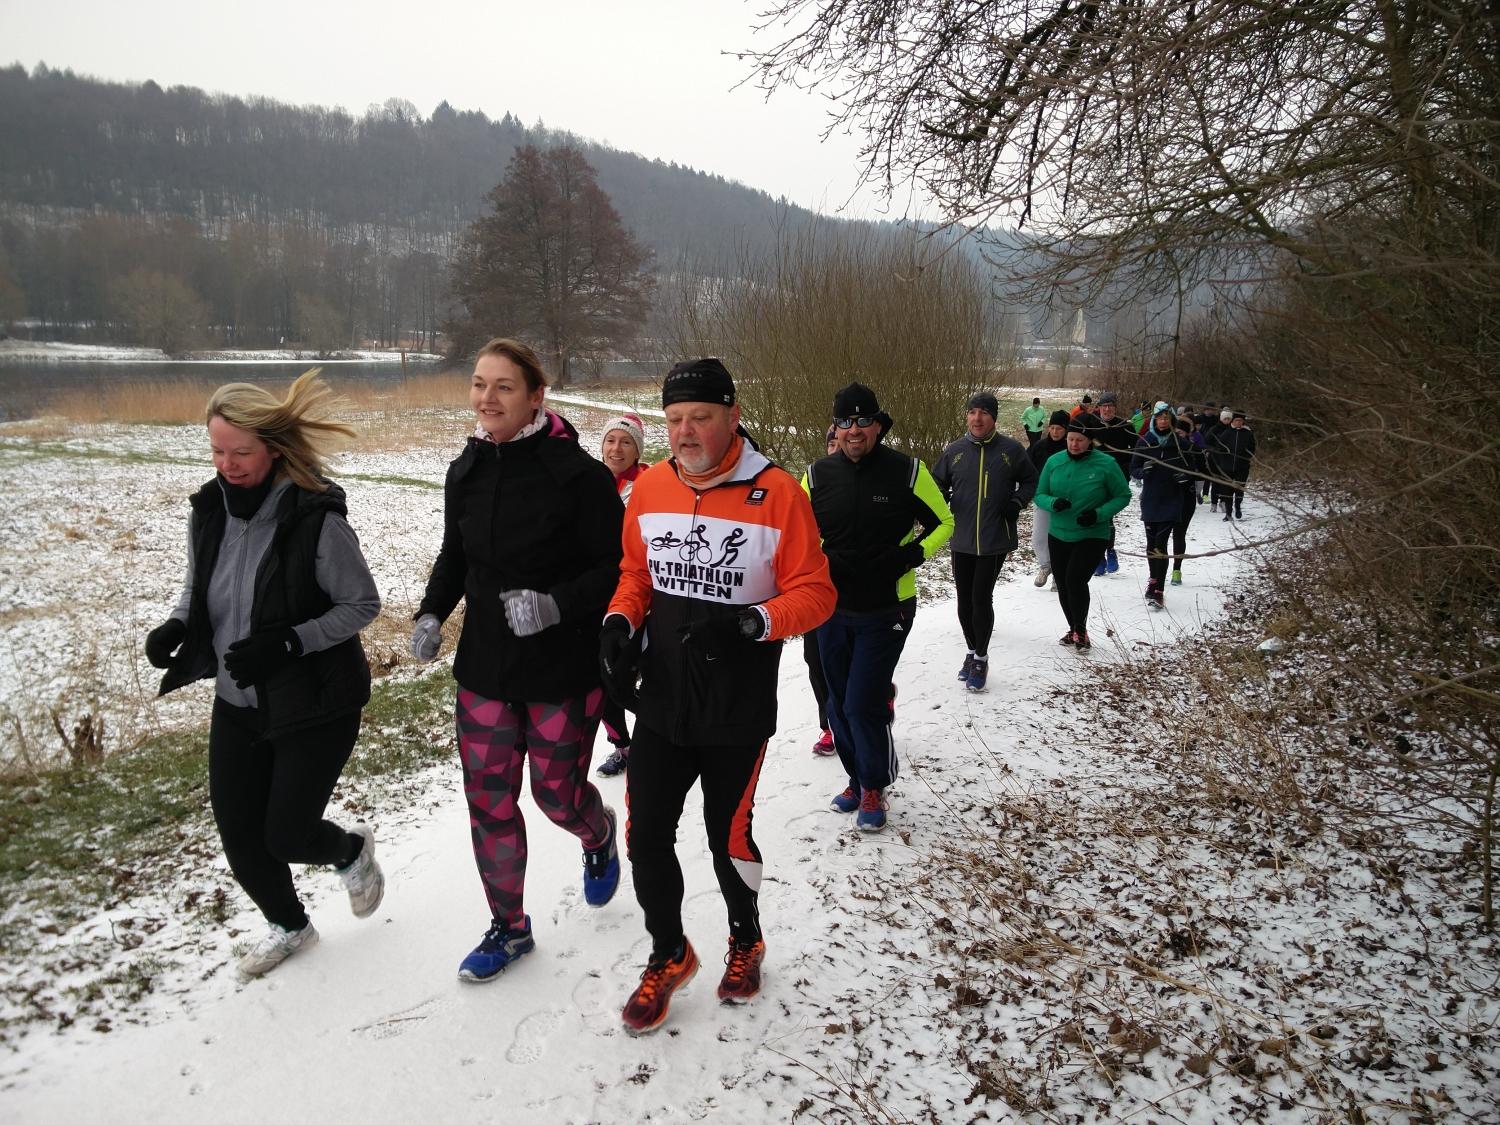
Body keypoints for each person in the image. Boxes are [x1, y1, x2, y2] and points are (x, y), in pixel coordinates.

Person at [599, 357, 836, 1035]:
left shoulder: (777, 492)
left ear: (732, 416)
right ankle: (669, 952)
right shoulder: (651, 487)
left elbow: (817, 593)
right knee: (645, 834)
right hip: (663, 698)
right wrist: (619, 620)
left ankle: (745, 937)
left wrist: (751, 622)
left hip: (737, 702)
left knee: (725, 833)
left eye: (700, 417)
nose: (685, 431)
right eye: (674, 419)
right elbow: (636, 572)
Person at [144, 369, 384, 978]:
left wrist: (288, 643)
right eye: (217, 451)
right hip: (238, 701)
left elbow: (361, 604)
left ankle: (350, 850)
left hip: (314, 703)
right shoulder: (210, 509)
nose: (227, 465)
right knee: (240, 835)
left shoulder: (314, 519)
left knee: (286, 835)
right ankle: (290, 926)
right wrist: (177, 624)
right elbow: (199, 585)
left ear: (273, 448)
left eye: (241, 453)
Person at [411, 337, 624, 984]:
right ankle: (510, 927)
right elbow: (455, 556)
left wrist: (556, 605)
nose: (487, 398)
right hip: (485, 666)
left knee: (557, 795)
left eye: (503, 386)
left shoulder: (579, 476)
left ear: (536, 396)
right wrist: (431, 612)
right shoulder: (466, 469)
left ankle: (598, 832)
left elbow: (616, 570)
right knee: (489, 801)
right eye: (479, 384)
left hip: (562, 668)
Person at [805, 382, 954, 831]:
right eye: (845, 422)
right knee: (836, 703)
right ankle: (856, 778)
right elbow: (795, 532)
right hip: (832, 608)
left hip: (888, 608)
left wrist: (909, 556)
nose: (854, 430)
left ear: (878, 425)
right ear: (835, 427)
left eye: (863, 421)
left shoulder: (907, 471)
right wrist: (821, 560)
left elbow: (944, 522)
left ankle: (874, 785)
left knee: (861, 702)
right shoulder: (816, 475)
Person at [932, 391, 1038, 692]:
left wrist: (1017, 502)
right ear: (967, 416)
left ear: (994, 418)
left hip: (994, 537)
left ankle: (981, 657)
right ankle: (970, 651)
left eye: (984, 413)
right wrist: (942, 497)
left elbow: (1031, 480)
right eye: (972, 412)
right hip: (962, 536)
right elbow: (937, 481)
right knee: (964, 601)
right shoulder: (955, 450)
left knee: (980, 598)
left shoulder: (1011, 450)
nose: (977, 418)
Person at [1033, 419, 1131, 649]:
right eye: (1071, 439)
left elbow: (1123, 496)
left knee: (1075, 579)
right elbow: (1039, 494)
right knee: (1063, 584)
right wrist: (1052, 502)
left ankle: (1080, 630)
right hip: (1058, 533)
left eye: (1080, 440)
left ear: (1090, 441)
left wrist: (1098, 514)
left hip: (1092, 533)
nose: (1074, 444)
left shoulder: (1106, 464)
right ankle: (1074, 628)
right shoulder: (1054, 462)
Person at [596, 412, 650, 778]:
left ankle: (657, 738)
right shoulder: (590, 482)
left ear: (637, 450)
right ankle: (623, 746)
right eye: (610, 441)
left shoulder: (648, 486)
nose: (616, 449)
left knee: (632, 677)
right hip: (600, 597)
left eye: (626, 442)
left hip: (640, 597)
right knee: (602, 677)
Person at [1131, 405, 1199, 608]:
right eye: (1159, 417)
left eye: (1167, 418)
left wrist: (1184, 477)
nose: (1163, 421)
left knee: (1161, 544)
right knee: (1151, 545)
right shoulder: (1145, 441)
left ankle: (1159, 590)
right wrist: (1143, 471)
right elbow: (1133, 468)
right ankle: (1153, 579)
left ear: (1172, 421)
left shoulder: (1180, 443)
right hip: (1151, 500)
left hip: (1172, 500)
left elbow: (1194, 468)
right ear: (1154, 420)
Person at [1081, 392, 1136, 575]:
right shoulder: (1092, 425)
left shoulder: (1125, 425)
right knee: (1100, 516)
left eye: (1110, 406)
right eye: (1104, 406)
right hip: (1095, 478)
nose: (1107, 409)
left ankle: (1109, 551)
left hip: (1117, 477)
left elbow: (1137, 449)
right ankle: (1100, 557)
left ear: (1115, 408)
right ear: (1099, 408)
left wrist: (1127, 468)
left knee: (1107, 516)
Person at [1026, 409, 1071, 588]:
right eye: (1052, 428)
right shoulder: (1039, 446)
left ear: (1066, 429)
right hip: (1043, 498)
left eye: (1059, 428)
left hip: (1065, 500)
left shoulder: (1071, 448)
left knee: (1060, 538)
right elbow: (1027, 467)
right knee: (1038, 537)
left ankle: (1059, 574)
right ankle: (1046, 565)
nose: (1055, 432)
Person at [1169, 414, 1208, 584]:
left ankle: (1177, 570)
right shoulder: (1167, 448)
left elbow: (1204, 472)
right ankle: (1157, 572)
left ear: (1187, 434)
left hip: (1186, 497)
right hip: (1166, 496)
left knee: (1179, 534)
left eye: (1180, 433)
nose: (1178, 436)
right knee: (1161, 535)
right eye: (1175, 432)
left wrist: (1191, 477)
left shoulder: (1194, 449)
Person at [1211, 410, 1257, 520]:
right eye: (1236, 420)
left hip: (1242, 467)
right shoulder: (1226, 433)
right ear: (1233, 421)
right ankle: (1228, 513)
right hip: (1227, 467)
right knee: (1227, 490)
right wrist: (1223, 457)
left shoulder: (1248, 434)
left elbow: (1252, 449)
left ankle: (1238, 506)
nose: (1238, 422)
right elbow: (1219, 448)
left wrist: (1245, 457)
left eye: (1241, 420)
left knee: (1239, 489)